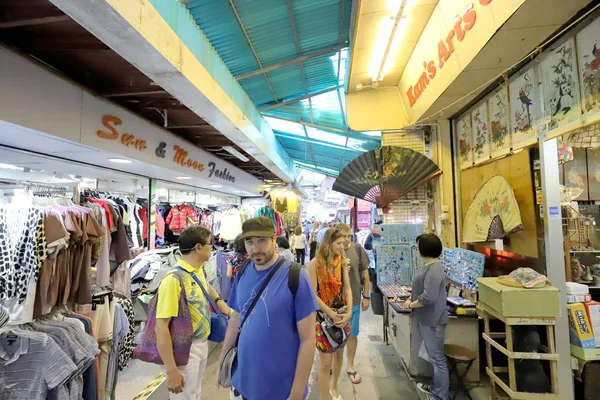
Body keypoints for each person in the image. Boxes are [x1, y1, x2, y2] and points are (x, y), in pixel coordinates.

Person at [220, 217, 318, 400]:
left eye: (262, 241)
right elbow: (235, 318)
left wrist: (297, 392)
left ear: (274, 239)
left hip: (281, 389)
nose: (255, 249)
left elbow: (308, 340)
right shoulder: (243, 271)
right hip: (243, 382)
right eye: (250, 242)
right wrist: (222, 362)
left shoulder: (295, 276)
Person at [155, 226, 234, 399]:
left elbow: (207, 286)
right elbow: (161, 326)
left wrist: (225, 308)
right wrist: (171, 369)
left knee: (194, 394)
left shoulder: (197, 270)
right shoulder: (173, 280)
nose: (212, 248)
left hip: (200, 343)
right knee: (185, 396)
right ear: (198, 247)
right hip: (183, 349)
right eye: (209, 244)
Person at [308, 228, 353, 400]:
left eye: (344, 243)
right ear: (328, 243)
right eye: (339, 243)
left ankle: (334, 387)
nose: (343, 246)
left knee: (340, 354)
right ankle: (324, 397)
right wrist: (331, 314)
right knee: (325, 362)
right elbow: (313, 294)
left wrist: (348, 312)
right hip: (323, 318)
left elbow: (347, 288)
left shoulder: (341, 261)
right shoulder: (315, 264)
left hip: (342, 314)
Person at [404, 233, 449, 400]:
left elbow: (428, 297)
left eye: (418, 247)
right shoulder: (430, 267)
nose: (416, 250)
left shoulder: (434, 269)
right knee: (434, 355)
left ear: (424, 249)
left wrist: (411, 304)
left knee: (437, 359)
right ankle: (436, 388)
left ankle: (441, 395)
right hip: (427, 319)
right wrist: (410, 298)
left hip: (433, 320)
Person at [335, 223, 371, 384]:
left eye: (348, 236)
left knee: (352, 334)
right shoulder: (332, 251)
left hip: (355, 298)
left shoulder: (357, 249)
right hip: (335, 302)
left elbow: (365, 274)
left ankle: (350, 365)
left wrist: (367, 296)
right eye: (343, 236)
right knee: (333, 335)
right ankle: (332, 363)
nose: (346, 240)